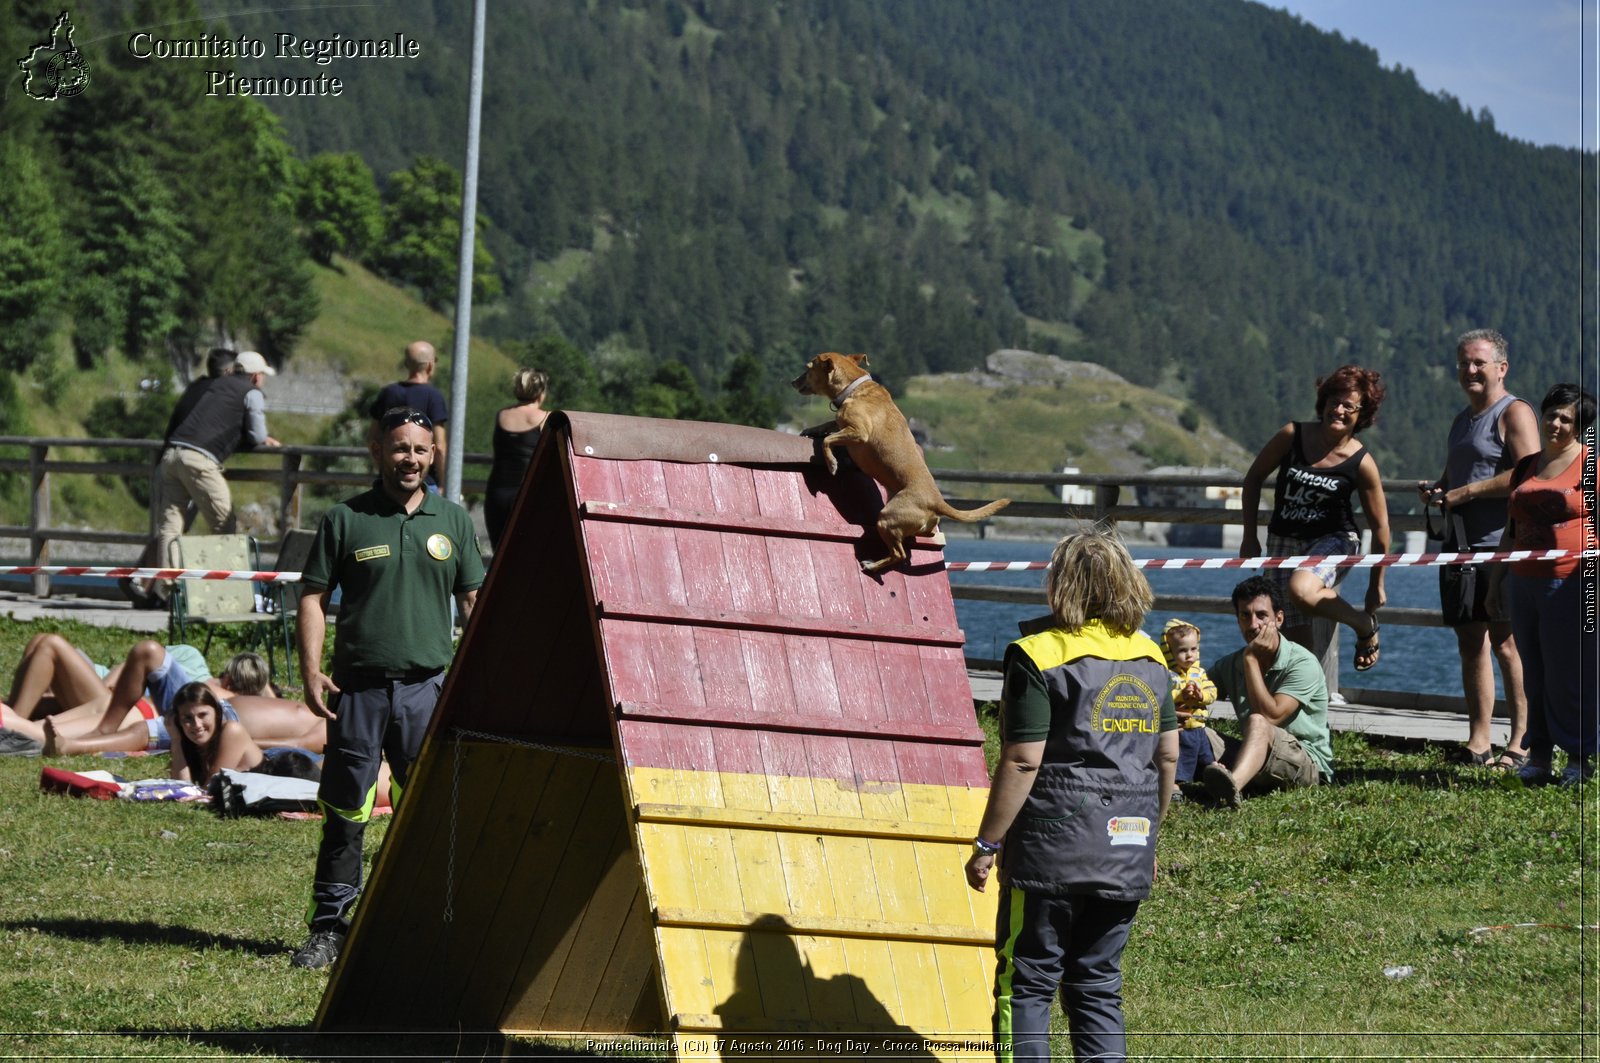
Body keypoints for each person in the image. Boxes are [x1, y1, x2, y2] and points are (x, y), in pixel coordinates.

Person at [963, 529, 1179, 1063]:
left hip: (1050, 849)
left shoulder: (1038, 653)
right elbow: (1167, 757)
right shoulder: (1151, 657)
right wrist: (1149, 837)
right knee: (1097, 983)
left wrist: (989, 843)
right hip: (1128, 843)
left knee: (1027, 981)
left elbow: (1022, 758)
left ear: (1062, 584)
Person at [292, 404, 485, 970]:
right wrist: (309, 669)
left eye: (421, 450)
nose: (411, 459)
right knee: (345, 813)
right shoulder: (344, 519)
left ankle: (422, 924)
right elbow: (312, 596)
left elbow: (474, 602)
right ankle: (329, 928)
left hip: (429, 691)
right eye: (400, 447)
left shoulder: (454, 522)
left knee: (426, 816)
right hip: (359, 692)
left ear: (433, 456)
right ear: (376, 450)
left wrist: (483, 676)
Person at [1417, 329, 1538, 770]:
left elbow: (1530, 475)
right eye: (1463, 363)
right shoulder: (1461, 419)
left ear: (1501, 368)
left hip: (1502, 547)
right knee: (1471, 643)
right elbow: (1455, 474)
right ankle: (1479, 741)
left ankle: (1522, 741)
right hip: (1460, 548)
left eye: (1478, 363)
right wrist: (1439, 489)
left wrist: (1466, 493)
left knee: (1507, 644)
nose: (1469, 370)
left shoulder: (1515, 413)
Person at [1240, 364, 1390, 674]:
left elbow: (1380, 527)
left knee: (1302, 589)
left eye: (1348, 405)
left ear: (1361, 414)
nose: (1338, 410)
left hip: (1335, 540)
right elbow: (1253, 478)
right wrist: (1249, 536)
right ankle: (1304, 708)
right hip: (1283, 539)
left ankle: (1363, 624)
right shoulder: (1292, 435)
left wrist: (1377, 585)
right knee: (1291, 642)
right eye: (1334, 400)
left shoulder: (1362, 462)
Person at [1490, 383, 1596, 787]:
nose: (1555, 423)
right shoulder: (1526, 466)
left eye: (1566, 419)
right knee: (1533, 672)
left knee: (1570, 672)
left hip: (1571, 584)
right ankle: (1538, 755)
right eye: (1551, 414)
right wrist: (1495, 580)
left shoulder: (1591, 467)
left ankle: (1579, 758)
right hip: (1523, 584)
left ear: (1581, 427)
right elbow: (1511, 529)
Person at [153, 350, 282, 602]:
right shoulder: (251, 393)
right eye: (263, 376)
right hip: (199, 460)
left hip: (171, 455)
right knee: (226, 524)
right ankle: (224, 595)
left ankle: (170, 592)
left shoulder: (217, 384)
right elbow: (256, 434)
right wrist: (260, 438)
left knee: (171, 525)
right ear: (256, 377)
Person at [1200, 576, 1333, 807]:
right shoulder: (1229, 664)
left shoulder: (1303, 662)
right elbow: (1196, 693)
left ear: (1278, 619)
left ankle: (1230, 790)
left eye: (1261, 615)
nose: (1253, 625)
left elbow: (1271, 717)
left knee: (1259, 722)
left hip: (1306, 764)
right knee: (1192, 732)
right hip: (1254, 756)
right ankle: (1170, 783)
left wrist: (1251, 659)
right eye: (1245, 616)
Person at [124, 347, 239, 607]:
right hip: (194, 462)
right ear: (230, 372)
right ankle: (216, 593)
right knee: (220, 523)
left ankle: (151, 585)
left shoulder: (196, 389)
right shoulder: (221, 395)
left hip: (169, 459)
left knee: (171, 527)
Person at [168, 681, 323, 786]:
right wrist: (176, 739)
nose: (196, 725)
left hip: (296, 767)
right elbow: (181, 788)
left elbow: (211, 788)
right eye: (187, 718)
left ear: (216, 713)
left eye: (203, 715)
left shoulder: (232, 731)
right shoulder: (190, 744)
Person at [367, 341, 449, 494]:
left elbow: (372, 437)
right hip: (425, 482)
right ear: (430, 365)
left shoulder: (388, 393)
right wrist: (444, 483)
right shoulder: (433, 397)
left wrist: (384, 468)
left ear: (406, 364)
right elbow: (440, 446)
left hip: (388, 479)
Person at [485, 367, 550, 552]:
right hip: (526, 493)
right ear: (541, 393)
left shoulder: (501, 415)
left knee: (499, 554)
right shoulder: (546, 418)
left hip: (496, 493)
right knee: (526, 554)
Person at [1161, 618, 1217, 788]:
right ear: (1169, 651)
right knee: (1182, 757)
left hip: (1200, 727)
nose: (1189, 655)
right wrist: (1180, 696)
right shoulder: (1168, 675)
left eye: (1193, 649)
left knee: (1205, 754)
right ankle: (1177, 785)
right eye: (1182, 650)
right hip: (1181, 729)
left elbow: (1212, 691)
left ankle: (1214, 774)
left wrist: (1202, 696)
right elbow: (1164, 697)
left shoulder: (1199, 673)